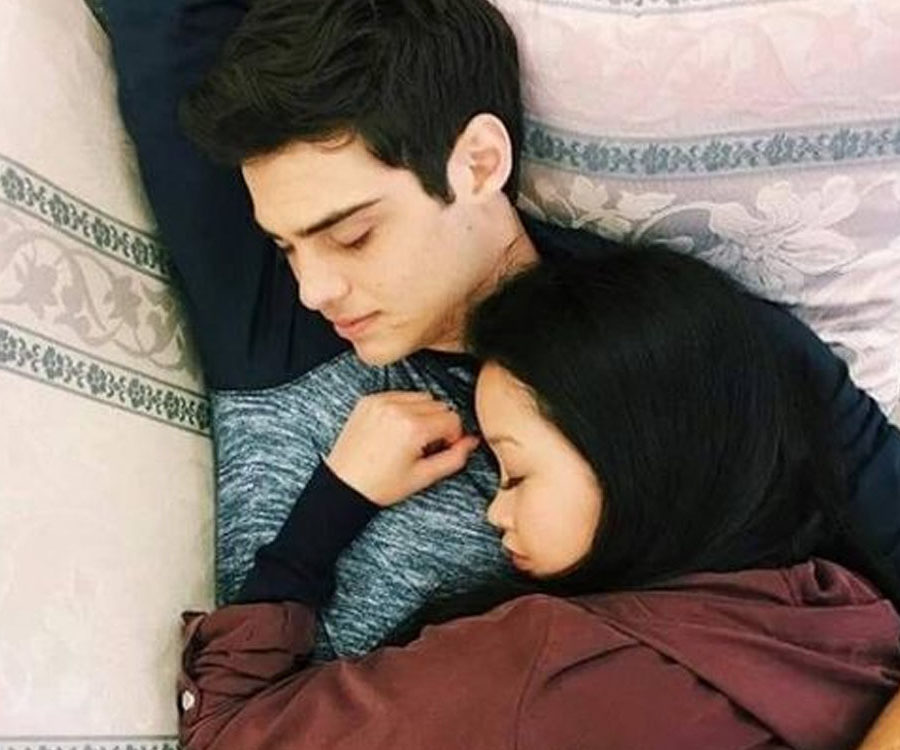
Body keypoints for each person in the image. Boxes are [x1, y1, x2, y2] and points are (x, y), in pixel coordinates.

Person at [104, 0, 900, 663]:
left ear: (479, 163)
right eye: (286, 246)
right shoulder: (274, 312)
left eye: (353, 236)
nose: (314, 289)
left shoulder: (690, 345)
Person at [178, 250, 900, 749]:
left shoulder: (550, 670)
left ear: (635, 456)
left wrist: (332, 505)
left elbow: (229, 733)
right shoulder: (845, 613)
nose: (494, 512)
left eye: (516, 474)